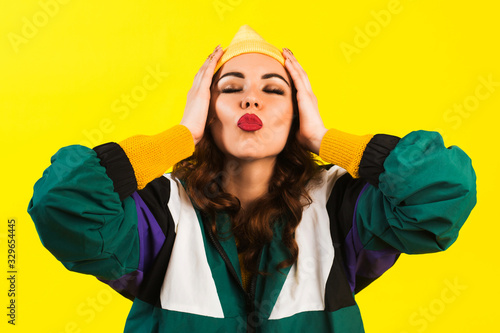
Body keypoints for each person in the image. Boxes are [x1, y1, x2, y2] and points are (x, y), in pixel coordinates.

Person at [28, 25, 477, 332]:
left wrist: (325, 137)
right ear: (207, 109)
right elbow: (62, 203)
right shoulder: (161, 211)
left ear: (296, 112)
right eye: (230, 88)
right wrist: (178, 137)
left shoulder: (339, 207)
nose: (251, 101)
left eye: (274, 89)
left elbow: (439, 193)